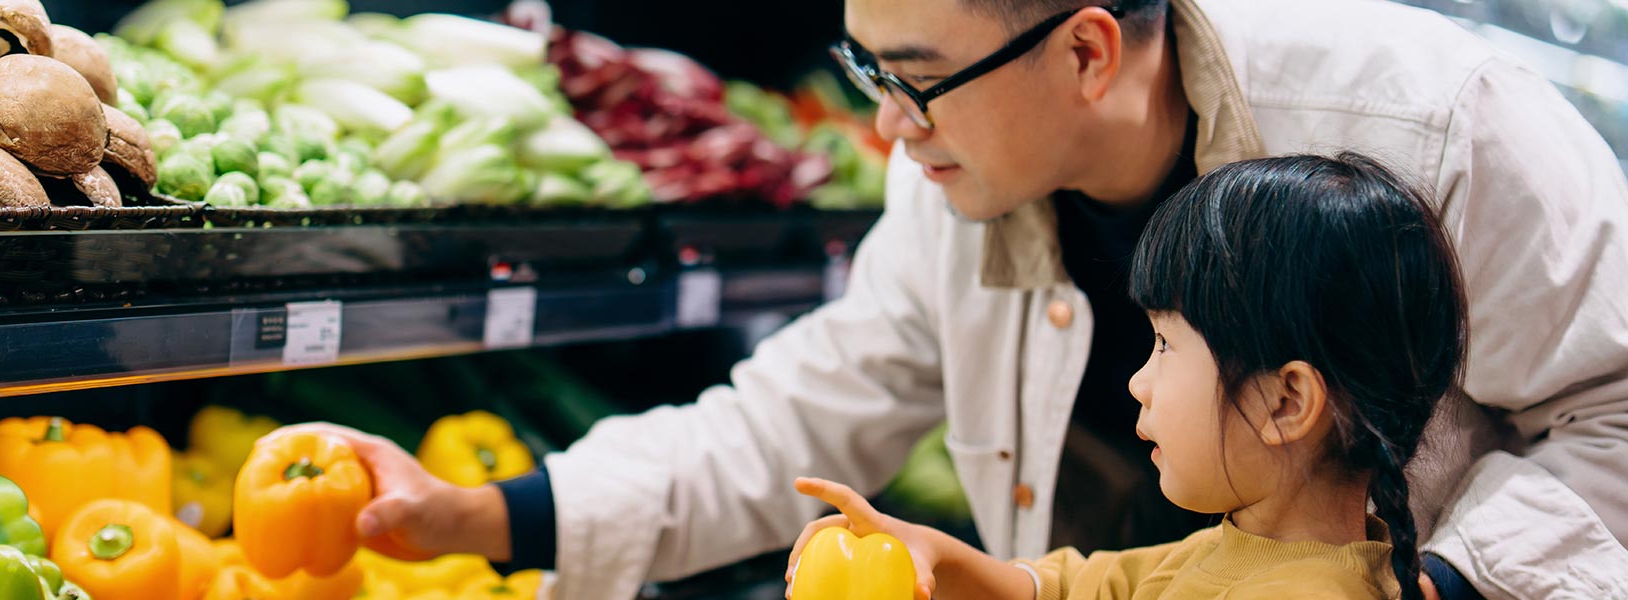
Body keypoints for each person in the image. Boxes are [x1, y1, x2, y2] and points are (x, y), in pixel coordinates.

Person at [297, 0, 1628, 597]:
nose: (884, 122)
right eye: (863, 65)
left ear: (1088, 51)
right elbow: (799, 420)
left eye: (914, 76)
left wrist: (1434, 589)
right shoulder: (954, 180)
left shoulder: (1434, 125)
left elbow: (1616, 417)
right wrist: (484, 515)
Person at [786, 152, 1467, 600]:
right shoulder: (1234, 551)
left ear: (1286, 401)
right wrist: (934, 553)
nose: (1139, 383)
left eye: (1166, 346)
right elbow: (1071, 588)